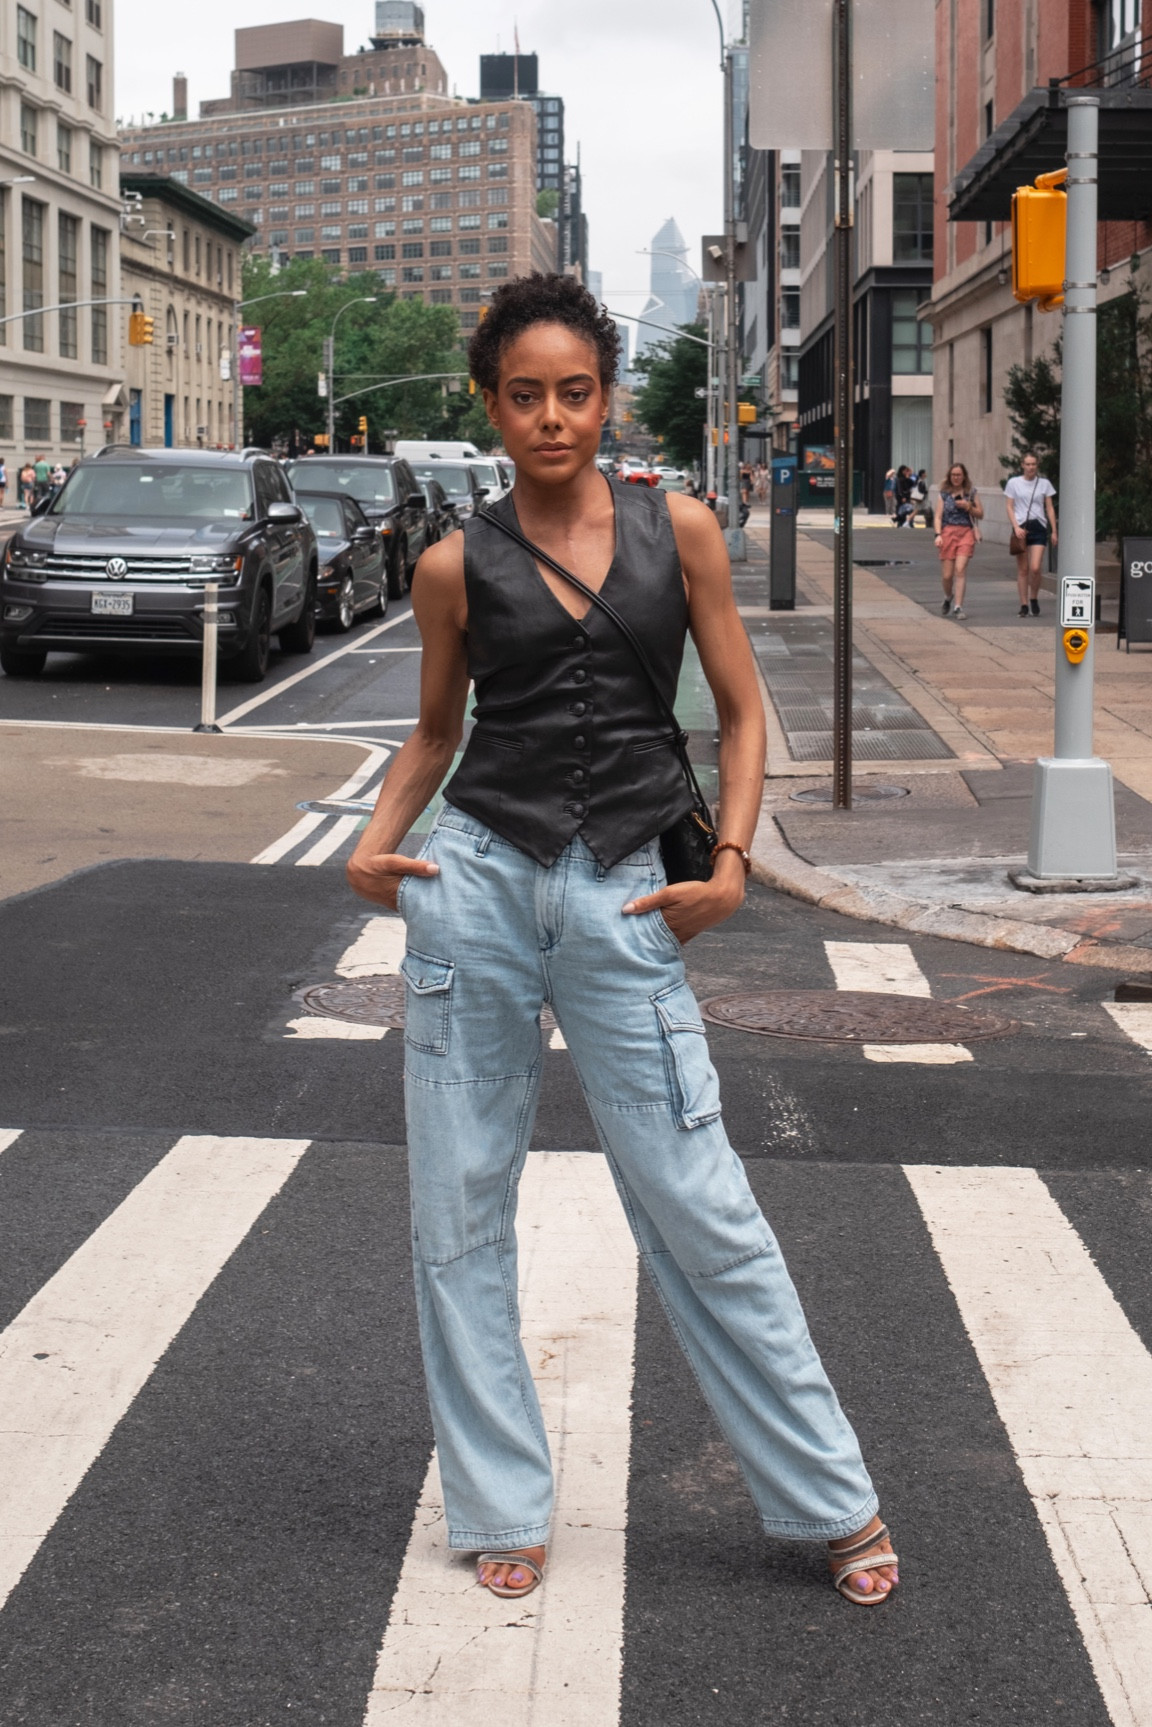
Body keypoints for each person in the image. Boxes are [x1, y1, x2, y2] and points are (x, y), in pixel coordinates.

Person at [347, 272, 898, 1611]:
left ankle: (833, 1496)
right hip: (476, 882)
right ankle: (499, 1502)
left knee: (699, 1196)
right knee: (458, 1206)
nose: (552, 417)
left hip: (627, 892)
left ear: (608, 397)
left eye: (575, 391)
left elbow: (741, 712)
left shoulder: (679, 527)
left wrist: (731, 864)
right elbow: (435, 732)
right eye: (525, 395)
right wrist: (371, 844)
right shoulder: (450, 563)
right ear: (490, 406)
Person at [1004, 451, 1057, 616]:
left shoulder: (1044, 483)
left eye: (1033, 464)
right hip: (1021, 527)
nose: (1031, 467)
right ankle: (1024, 604)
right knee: (1023, 569)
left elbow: (1049, 507)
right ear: (1022, 465)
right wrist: (1015, 527)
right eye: (1027, 464)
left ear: (1037, 465)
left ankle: (1034, 597)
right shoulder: (1014, 483)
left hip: (1039, 526)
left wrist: (1054, 531)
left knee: (1035, 567)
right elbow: (1009, 506)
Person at [934, 462, 983, 620]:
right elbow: (938, 516)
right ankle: (948, 596)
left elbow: (980, 513)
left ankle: (958, 607)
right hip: (948, 532)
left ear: (964, 476)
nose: (956, 478)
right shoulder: (944, 493)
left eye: (959, 475)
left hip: (966, 532)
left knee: (960, 570)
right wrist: (938, 534)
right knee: (947, 575)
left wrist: (968, 506)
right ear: (949, 476)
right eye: (953, 475)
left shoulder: (971, 492)